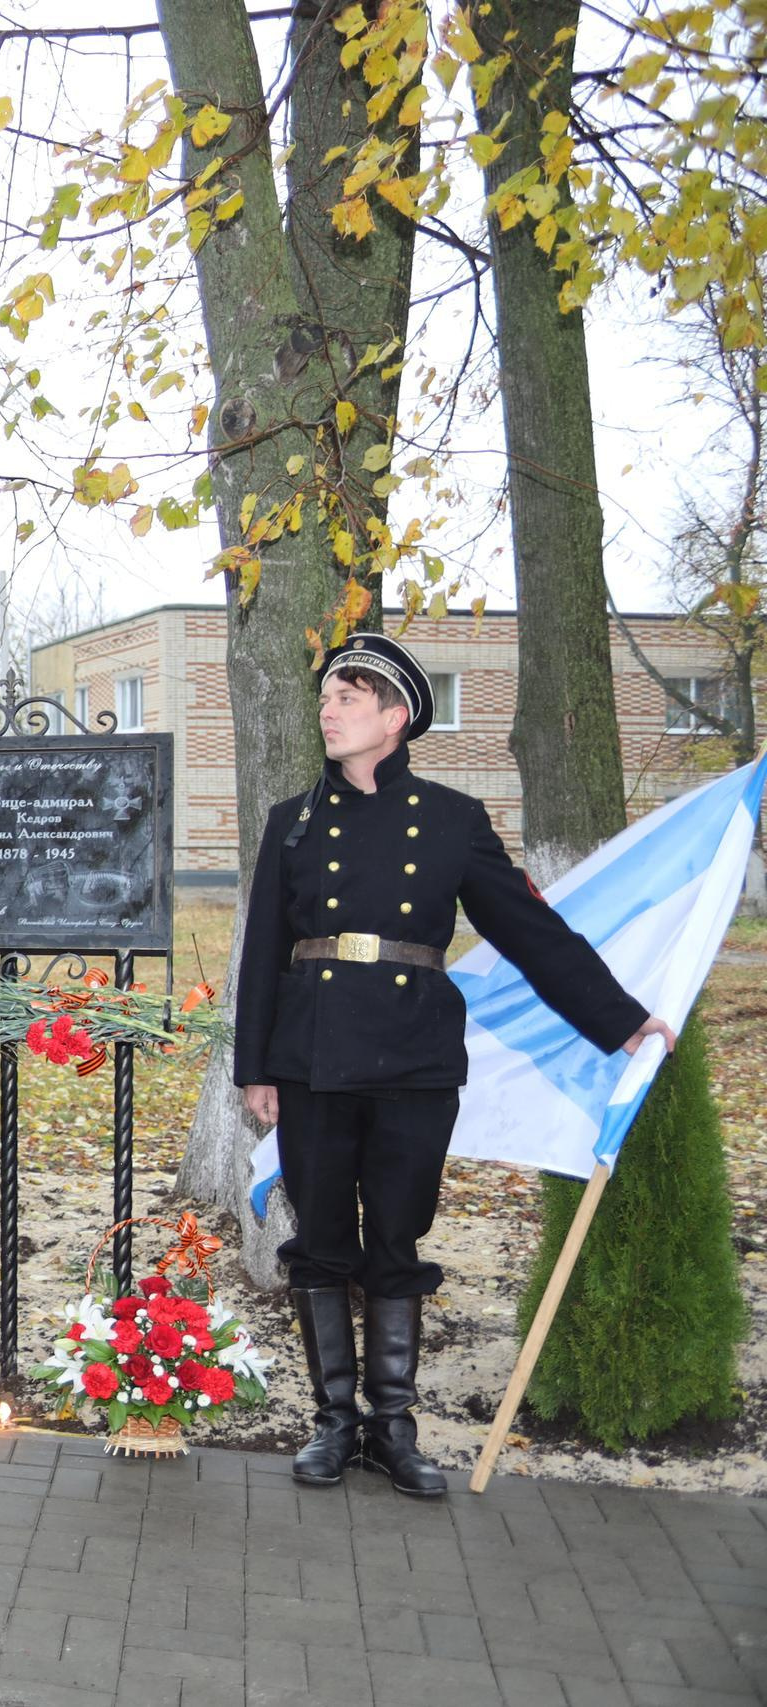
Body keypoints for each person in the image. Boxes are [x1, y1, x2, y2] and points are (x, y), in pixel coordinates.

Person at [235, 632, 675, 1498]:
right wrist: (256, 1067)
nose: (329, 709)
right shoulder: (291, 822)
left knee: (396, 1241)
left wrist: (620, 1022)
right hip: (313, 1057)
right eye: (327, 696)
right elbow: (262, 954)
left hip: (414, 1059)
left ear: (395, 717)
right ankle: (334, 1423)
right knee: (321, 1242)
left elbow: (529, 930)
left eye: (348, 697)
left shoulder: (449, 819)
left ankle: (394, 1428)